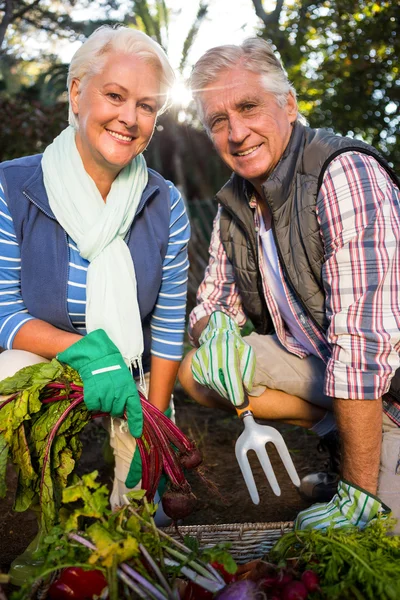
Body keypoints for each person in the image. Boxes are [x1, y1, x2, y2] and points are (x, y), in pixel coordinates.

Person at [178, 37, 400, 533]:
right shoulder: (234, 205)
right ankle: (348, 443)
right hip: (322, 361)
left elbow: (363, 351)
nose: (236, 132)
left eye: (249, 106)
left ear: (290, 105)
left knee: (381, 537)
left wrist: (360, 496)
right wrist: (213, 330)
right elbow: (212, 300)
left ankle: (363, 476)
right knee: (196, 372)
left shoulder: (341, 173)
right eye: (218, 120)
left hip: (388, 378)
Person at [0, 25, 190, 581]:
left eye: (147, 105)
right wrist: (83, 350)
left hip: (131, 373)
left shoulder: (164, 201)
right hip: (47, 359)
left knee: (133, 535)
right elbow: (2, 310)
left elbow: (169, 323)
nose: (130, 118)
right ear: (77, 92)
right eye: (114, 96)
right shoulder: (13, 187)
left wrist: (152, 424)